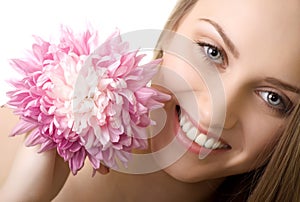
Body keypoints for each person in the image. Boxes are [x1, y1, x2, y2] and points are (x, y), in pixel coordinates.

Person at [0, 0, 299, 201]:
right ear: (173, 29)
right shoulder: (16, 141)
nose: (212, 115)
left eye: (273, 98)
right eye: (212, 52)